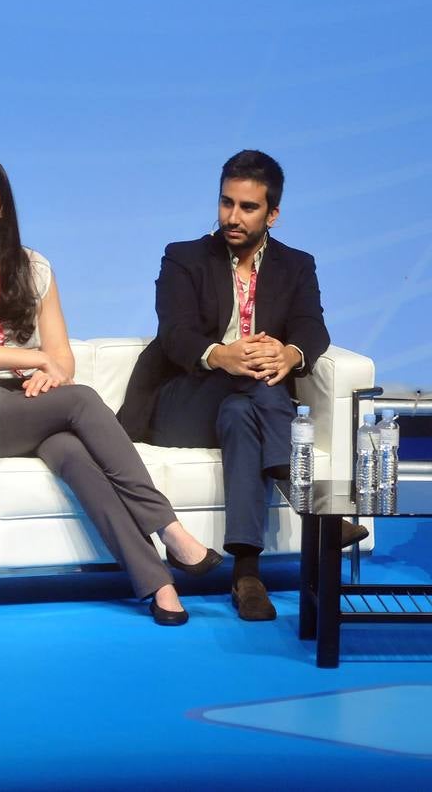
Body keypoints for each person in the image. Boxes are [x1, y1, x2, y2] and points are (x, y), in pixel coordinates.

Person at [0, 152, 219, 627]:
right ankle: (171, 528)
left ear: (2, 208)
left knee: (73, 453)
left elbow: (63, 355)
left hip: (33, 403)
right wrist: (36, 360)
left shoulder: (34, 268)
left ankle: (157, 583)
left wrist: (50, 372)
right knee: (80, 400)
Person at [118, 149, 360, 622]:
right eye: (226, 203)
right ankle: (306, 495)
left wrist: (289, 355)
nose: (233, 216)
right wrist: (222, 355)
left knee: (243, 408)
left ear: (273, 214)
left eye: (247, 208)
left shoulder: (297, 265)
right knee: (255, 385)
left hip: (240, 409)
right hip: (184, 401)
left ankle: (247, 576)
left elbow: (313, 329)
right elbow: (177, 333)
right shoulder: (183, 257)